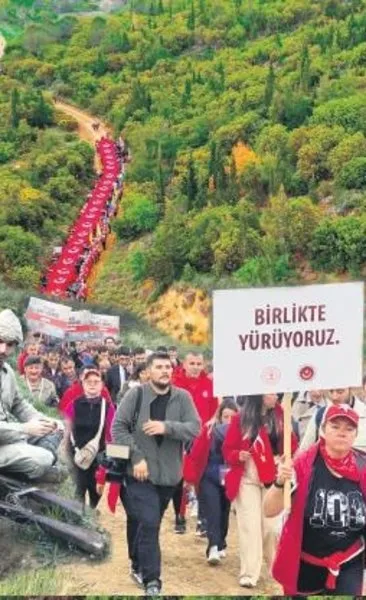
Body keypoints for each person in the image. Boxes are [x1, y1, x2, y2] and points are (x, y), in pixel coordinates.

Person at [111, 351, 200, 596]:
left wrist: (166, 427)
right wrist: (136, 456)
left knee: (148, 521)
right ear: (148, 371)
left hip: (170, 475)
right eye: (159, 367)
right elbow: (117, 427)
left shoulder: (183, 398)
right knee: (149, 522)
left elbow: (195, 428)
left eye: (168, 367)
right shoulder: (135, 394)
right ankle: (153, 581)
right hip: (138, 473)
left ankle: (137, 562)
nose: (165, 371)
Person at [264, 404, 366, 595]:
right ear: (323, 430)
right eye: (335, 427)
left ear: (355, 434)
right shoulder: (302, 466)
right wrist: (280, 482)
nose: (342, 433)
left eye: (349, 429)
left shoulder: (363, 467)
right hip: (305, 561)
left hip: (349, 561)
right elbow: (269, 510)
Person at [222, 394, 298, 588]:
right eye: (269, 393)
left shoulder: (282, 414)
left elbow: (291, 445)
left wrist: (286, 456)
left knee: (272, 527)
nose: (274, 397)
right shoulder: (241, 418)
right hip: (247, 475)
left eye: (276, 393)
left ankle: (274, 567)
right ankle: (249, 572)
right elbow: (227, 449)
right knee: (250, 525)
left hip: (273, 473)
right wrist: (237, 454)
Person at [0, 309, 64, 481]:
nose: (3, 350)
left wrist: (44, 421)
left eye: (10, 344)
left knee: (57, 428)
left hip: (9, 437)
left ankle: (38, 461)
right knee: (42, 459)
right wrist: (25, 429)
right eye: (0, 341)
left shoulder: (7, 372)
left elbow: (19, 405)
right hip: (7, 437)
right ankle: (41, 464)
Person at [183, 398, 238, 564]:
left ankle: (221, 542)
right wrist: (190, 478)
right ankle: (212, 546)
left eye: (232, 417)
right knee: (213, 510)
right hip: (209, 476)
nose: (228, 420)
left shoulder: (241, 432)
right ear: (220, 415)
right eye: (225, 416)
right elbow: (196, 454)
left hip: (228, 476)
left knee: (224, 511)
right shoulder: (209, 430)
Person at [64, 369, 115, 509]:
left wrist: (110, 459)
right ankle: (78, 521)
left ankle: (91, 514)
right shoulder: (73, 405)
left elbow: (112, 435)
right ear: (83, 384)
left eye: (96, 382)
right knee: (78, 491)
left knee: (95, 492)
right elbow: (66, 430)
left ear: (102, 385)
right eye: (88, 382)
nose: (92, 385)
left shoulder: (108, 407)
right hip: (76, 456)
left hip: (98, 458)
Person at [300, 387, 366, 452]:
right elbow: (303, 452)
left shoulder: (363, 412)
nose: (334, 397)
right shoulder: (320, 414)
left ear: (350, 390)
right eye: (331, 391)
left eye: (340, 392)